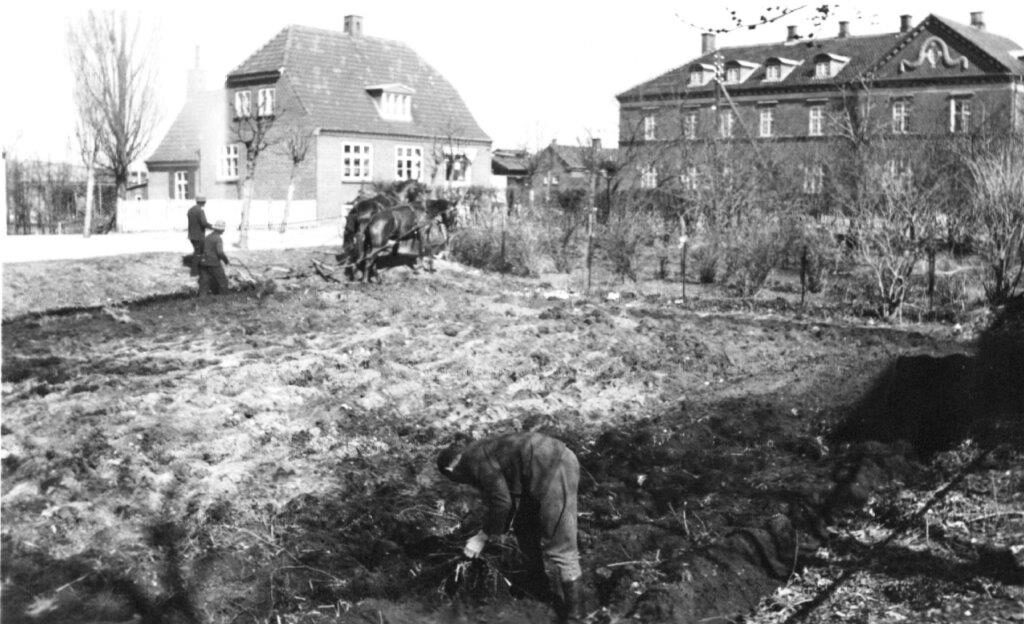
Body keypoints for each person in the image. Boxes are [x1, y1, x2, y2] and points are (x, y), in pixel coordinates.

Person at [437, 432, 583, 623]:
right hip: (543, 467)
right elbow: (510, 501)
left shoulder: (472, 461)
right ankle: (539, 590)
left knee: (562, 547)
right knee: (524, 527)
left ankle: (576, 617)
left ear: (451, 470)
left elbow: (502, 502)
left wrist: (481, 538)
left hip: (554, 468)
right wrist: (496, 530)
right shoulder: (481, 450)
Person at [198, 219, 230, 296]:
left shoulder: (208, 237)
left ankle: (201, 299)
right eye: (223, 229)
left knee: (204, 282)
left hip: (203, 262)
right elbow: (220, 252)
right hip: (213, 263)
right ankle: (224, 299)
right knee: (223, 281)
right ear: (221, 230)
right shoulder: (218, 238)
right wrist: (226, 261)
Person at [186, 196, 212, 276]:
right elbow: (204, 223)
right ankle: (194, 272)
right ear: (203, 202)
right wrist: (213, 227)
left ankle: (198, 270)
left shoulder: (190, 210)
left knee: (198, 253)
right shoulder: (200, 211)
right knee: (198, 254)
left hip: (191, 235)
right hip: (199, 236)